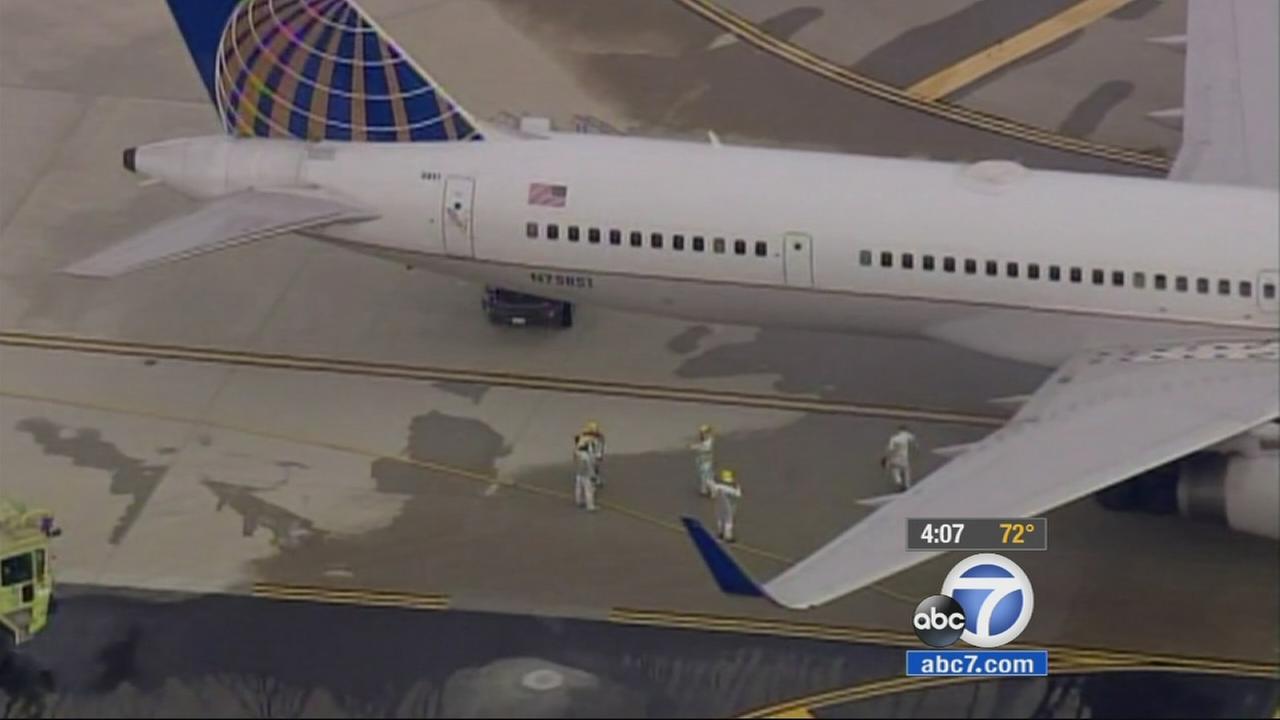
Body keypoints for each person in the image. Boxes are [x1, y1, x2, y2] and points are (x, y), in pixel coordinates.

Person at [882, 425, 919, 490]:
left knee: (895, 470)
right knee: (906, 470)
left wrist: (886, 457)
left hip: (895, 457)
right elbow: (913, 439)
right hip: (904, 457)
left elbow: (890, 449)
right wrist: (916, 446)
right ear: (905, 430)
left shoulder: (893, 438)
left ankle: (898, 482)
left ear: (899, 430)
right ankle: (907, 485)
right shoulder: (907, 435)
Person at [709, 469, 742, 542]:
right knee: (728, 520)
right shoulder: (731, 488)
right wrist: (737, 486)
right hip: (728, 505)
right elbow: (738, 495)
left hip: (718, 505)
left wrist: (712, 479)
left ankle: (720, 534)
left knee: (720, 518)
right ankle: (728, 536)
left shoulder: (717, 486)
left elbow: (712, 495)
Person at [689, 424, 716, 497]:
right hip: (703, 460)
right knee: (702, 476)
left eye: (703, 433)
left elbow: (702, 447)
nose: (701, 435)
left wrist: (694, 447)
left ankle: (713, 491)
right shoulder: (707, 440)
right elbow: (701, 445)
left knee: (707, 476)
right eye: (701, 433)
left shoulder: (707, 442)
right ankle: (703, 490)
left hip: (705, 461)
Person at [577, 421, 606, 487]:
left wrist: (600, 454)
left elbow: (601, 446)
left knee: (595, 466)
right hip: (587, 454)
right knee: (589, 466)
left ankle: (594, 478)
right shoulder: (584, 436)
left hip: (594, 453)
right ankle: (592, 479)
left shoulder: (600, 437)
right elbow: (579, 445)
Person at [573, 434, 598, 511]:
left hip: (578, 473)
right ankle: (590, 506)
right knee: (589, 490)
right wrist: (593, 475)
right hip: (586, 474)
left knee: (578, 488)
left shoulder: (577, 452)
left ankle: (579, 501)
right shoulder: (586, 456)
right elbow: (590, 466)